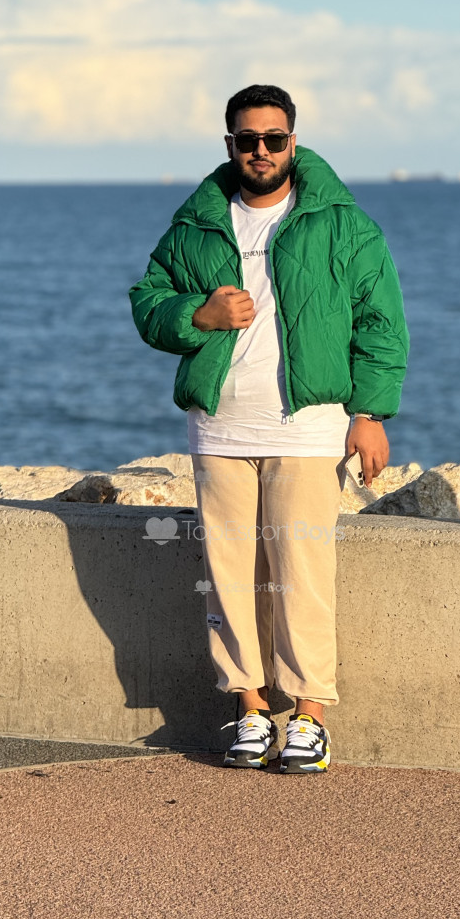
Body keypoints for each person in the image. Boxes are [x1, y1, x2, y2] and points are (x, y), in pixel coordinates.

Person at [129, 83, 408, 774]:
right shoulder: (196, 225)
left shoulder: (344, 224)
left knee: (302, 573)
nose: (261, 151)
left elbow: (380, 323)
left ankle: (309, 715)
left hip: (309, 429)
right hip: (220, 427)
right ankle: (249, 707)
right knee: (228, 578)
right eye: (248, 140)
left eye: (274, 139)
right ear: (230, 145)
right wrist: (199, 315)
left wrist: (370, 415)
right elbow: (148, 302)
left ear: (293, 141)